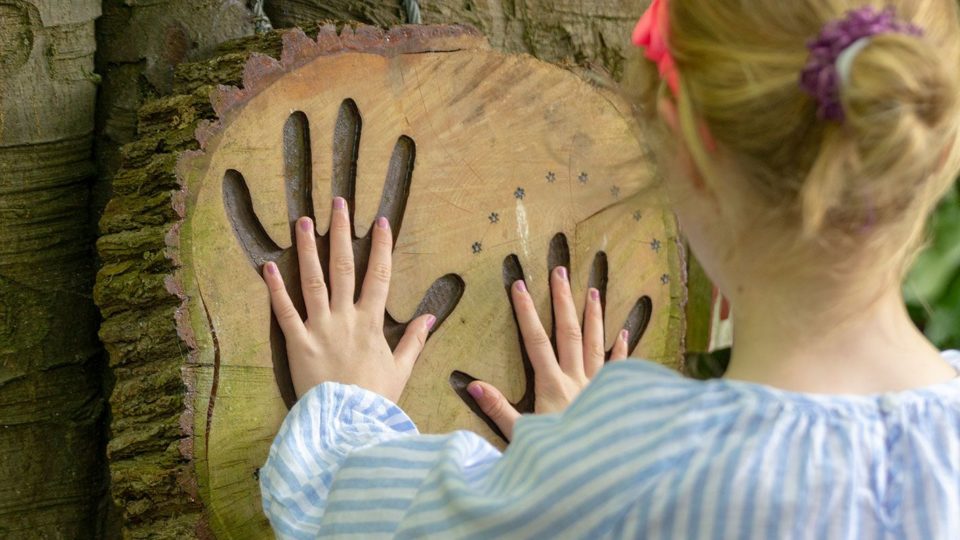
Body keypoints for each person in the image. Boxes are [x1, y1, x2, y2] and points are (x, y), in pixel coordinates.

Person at [257, 0, 960, 537]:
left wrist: (344, 414)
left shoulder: (640, 466)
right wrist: (577, 459)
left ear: (689, 144)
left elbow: (354, 512)